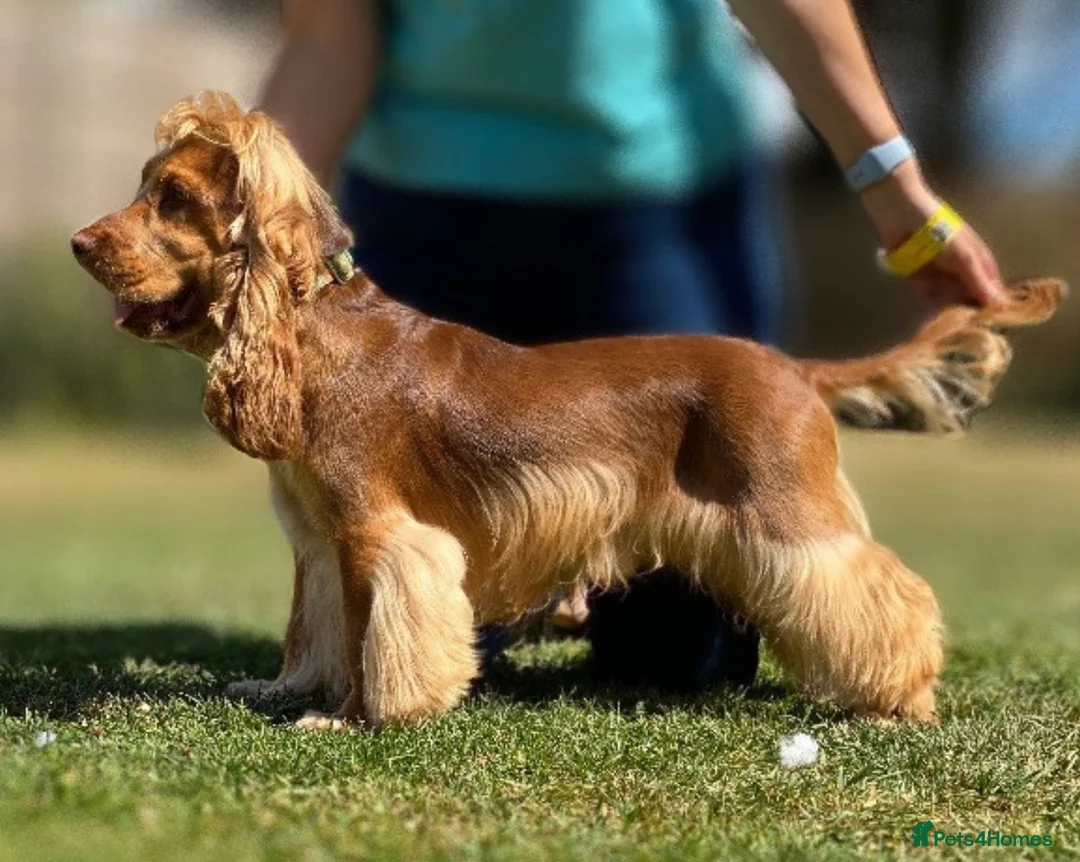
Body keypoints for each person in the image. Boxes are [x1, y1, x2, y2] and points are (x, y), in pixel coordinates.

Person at [256, 0, 1007, 691]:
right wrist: (256, 226)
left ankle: (883, 650)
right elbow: (327, 38)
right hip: (430, 219)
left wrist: (893, 185)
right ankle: (513, 595)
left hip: (659, 210)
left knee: (681, 654)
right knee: (383, 569)